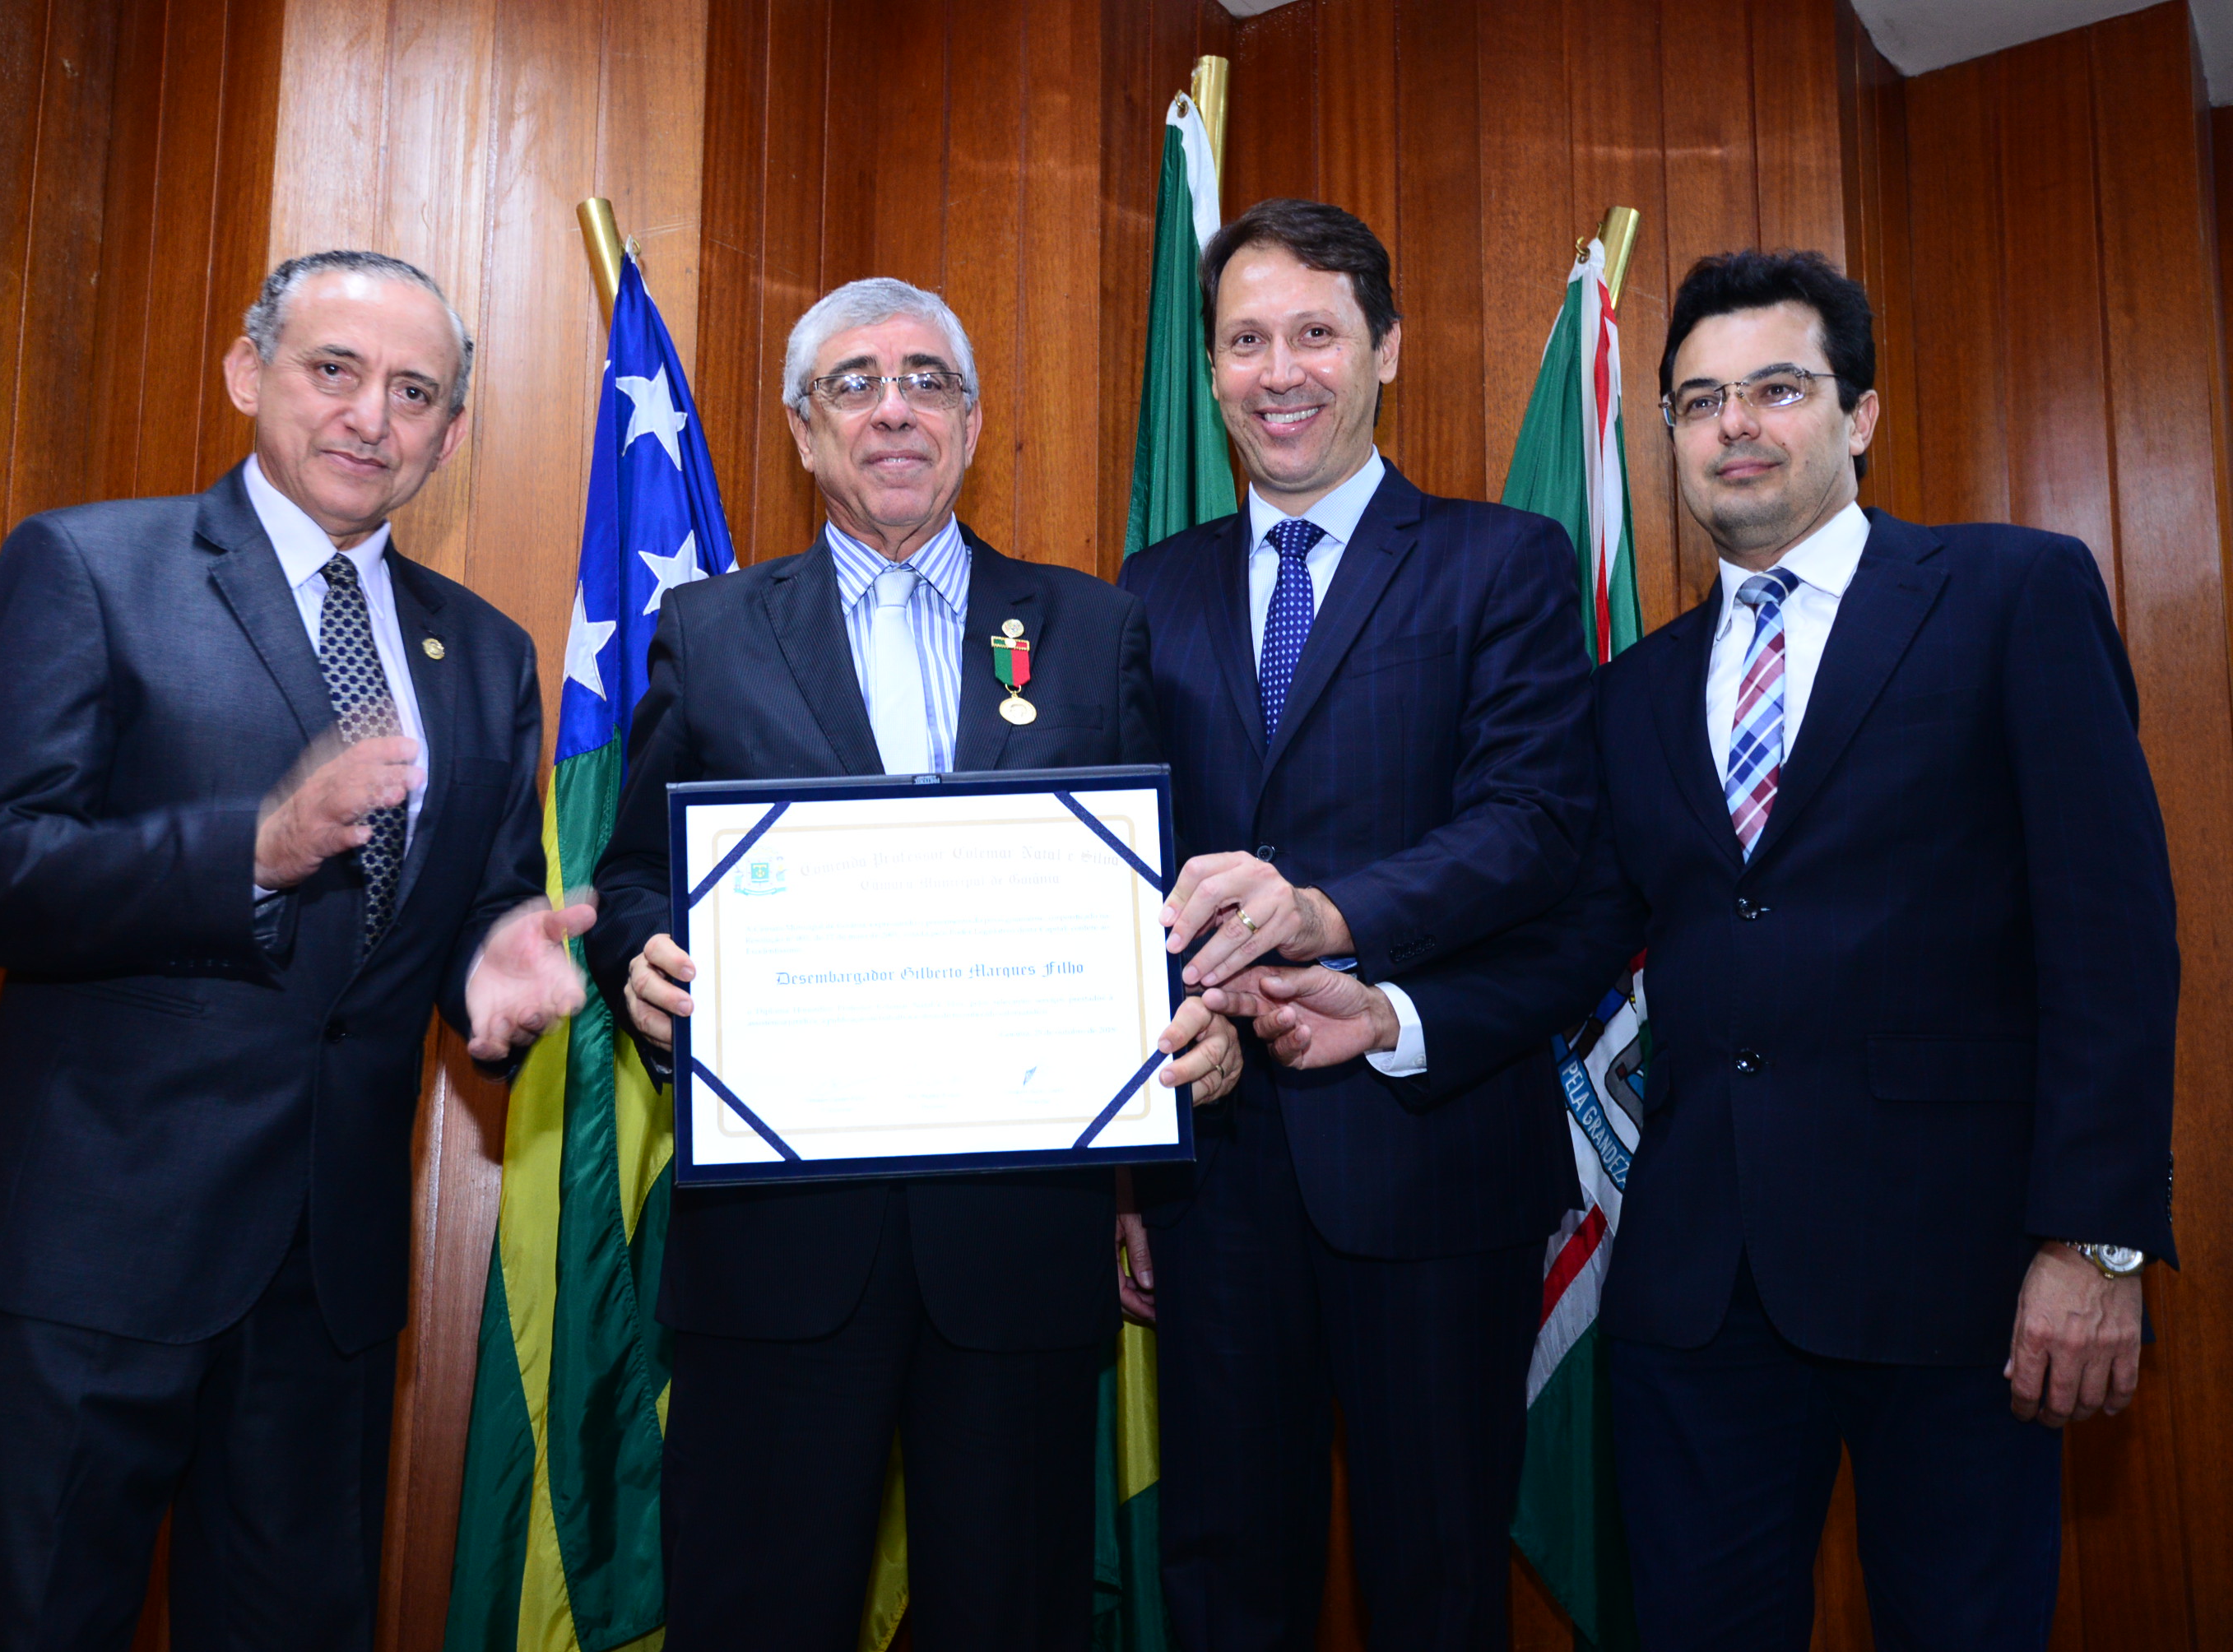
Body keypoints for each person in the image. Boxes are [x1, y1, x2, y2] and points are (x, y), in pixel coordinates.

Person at [1217, 249, 2180, 1652]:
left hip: (1958, 1279)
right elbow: (1584, 936)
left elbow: (2114, 934)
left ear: (1858, 413)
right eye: (1700, 400)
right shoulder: (1638, 687)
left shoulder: (2008, 592)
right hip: (1698, 1292)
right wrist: (1393, 1018)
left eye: (1777, 389)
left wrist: (2095, 1238)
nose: (1736, 426)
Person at [0, 250, 592, 1650]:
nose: (371, 417)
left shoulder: (484, 650)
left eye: (415, 393)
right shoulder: (91, 567)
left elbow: (477, 902)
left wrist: (492, 967)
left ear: (451, 434)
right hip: (85, 1262)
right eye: (334, 370)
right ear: (248, 372)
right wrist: (252, 850)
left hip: (324, 1290)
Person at [586, 276, 1241, 1652]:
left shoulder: (1088, 629)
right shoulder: (709, 629)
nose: (894, 409)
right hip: (777, 1253)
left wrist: (1177, 1053)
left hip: (1017, 1250)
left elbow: (1151, 897)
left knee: (1011, 1618)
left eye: (927, 381)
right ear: (803, 431)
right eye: (855, 383)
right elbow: (637, 871)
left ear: (973, 423)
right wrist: (641, 961)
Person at [1116, 198, 1598, 1650]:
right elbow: (1120, 869)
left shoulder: (1502, 560)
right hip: (1209, 1173)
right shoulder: (1147, 590)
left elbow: (1533, 824)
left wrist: (1324, 914)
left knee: (1437, 1580)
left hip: (1430, 1155)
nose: (1280, 373)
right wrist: (1119, 1158)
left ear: (1385, 348)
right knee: (1222, 1577)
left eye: (1316, 334)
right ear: (1210, 370)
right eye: (1245, 341)